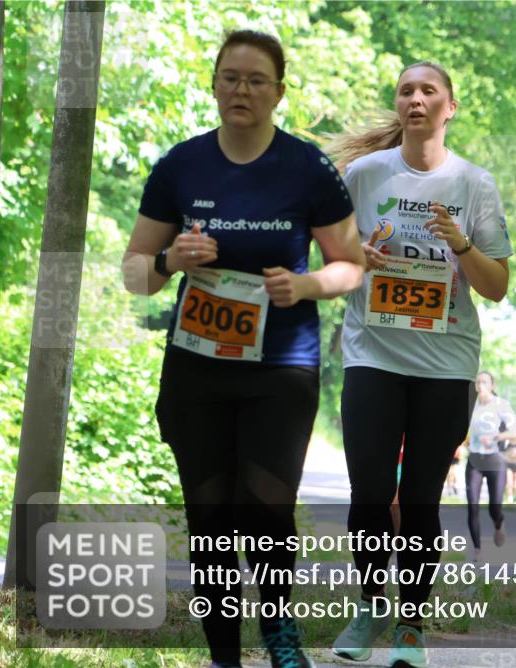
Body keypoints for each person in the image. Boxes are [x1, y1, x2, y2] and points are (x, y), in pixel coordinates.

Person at [121, 30, 364, 668]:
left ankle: (280, 637)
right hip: (197, 367)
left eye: (257, 80)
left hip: (279, 367)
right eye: (231, 77)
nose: (242, 90)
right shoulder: (181, 166)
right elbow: (135, 271)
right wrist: (170, 259)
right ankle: (223, 653)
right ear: (213, 84)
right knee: (209, 517)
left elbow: (352, 268)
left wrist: (305, 284)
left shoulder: (308, 168)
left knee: (266, 509)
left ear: (278, 93)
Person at [327, 61, 512, 668]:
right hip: (372, 353)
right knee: (370, 493)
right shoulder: (363, 175)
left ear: (449, 107)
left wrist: (460, 244)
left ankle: (411, 624)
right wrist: (361, 258)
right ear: (399, 104)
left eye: (428, 90)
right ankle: (369, 605)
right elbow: (332, 262)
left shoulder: (474, 184)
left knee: (422, 497)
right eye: (406, 90)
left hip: (446, 364)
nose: (416, 99)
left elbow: (498, 286)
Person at [465, 371, 516, 561]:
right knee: (472, 505)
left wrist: (496, 437)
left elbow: (515, 432)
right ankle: (477, 549)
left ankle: (499, 523)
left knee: (494, 507)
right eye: (478, 382)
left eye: (485, 382)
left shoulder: (501, 405)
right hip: (474, 460)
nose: (481, 385)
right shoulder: (471, 404)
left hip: (495, 460)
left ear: (492, 385)